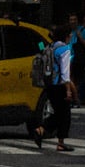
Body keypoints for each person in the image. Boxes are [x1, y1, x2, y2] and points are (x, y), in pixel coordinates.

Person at [32, 21, 75, 153]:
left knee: (58, 112)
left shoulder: (50, 47)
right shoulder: (64, 49)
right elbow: (65, 72)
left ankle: (42, 130)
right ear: (66, 36)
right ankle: (59, 141)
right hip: (60, 85)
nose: (71, 37)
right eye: (70, 35)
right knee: (64, 114)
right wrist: (68, 90)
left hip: (49, 84)